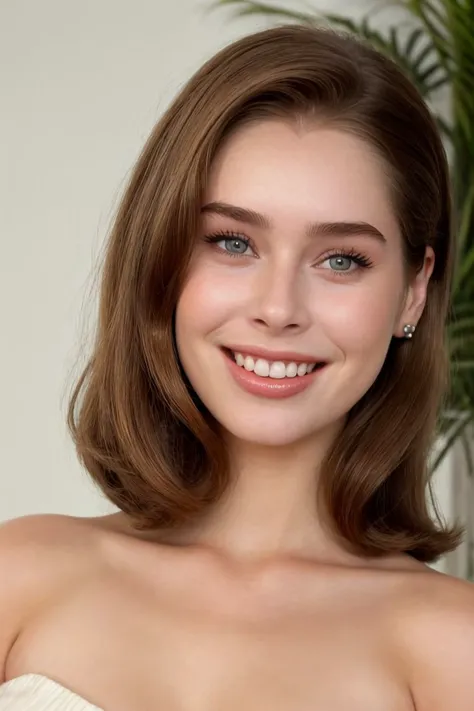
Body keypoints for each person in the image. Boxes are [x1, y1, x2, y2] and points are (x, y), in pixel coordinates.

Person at [1, 22, 473, 711]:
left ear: (413, 289)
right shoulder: (21, 574)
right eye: (231, 242)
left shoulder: (452, 645)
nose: (278, 308)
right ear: (162, 256)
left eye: (341, 259)